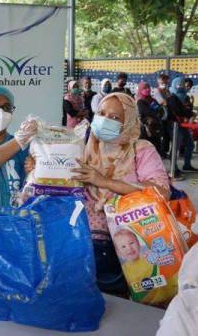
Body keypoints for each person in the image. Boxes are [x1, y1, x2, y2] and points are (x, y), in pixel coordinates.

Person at [71, 92, 170, 297]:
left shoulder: (141, 149)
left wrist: (105, 182)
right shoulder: (83, 145)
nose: (105, 120)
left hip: (127, 242)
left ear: (129, 121)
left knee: (119, 302)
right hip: (81, 240)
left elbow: (161, 192)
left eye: (115, 117)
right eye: (102, 113)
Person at [167, 77, 198, 175]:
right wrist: (189, 113)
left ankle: (187, 165)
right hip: (174, 125)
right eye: (178, 84)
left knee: (190, 144)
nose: (180, 86)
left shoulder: (186, 97)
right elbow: (178, 111)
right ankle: (173, 168)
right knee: (175, 146)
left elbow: (188, 108)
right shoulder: (172, 97)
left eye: (182, 84)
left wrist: (188, 112)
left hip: (184, 125)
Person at [136, 81, 165, 155]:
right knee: (146, 151)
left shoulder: (153, 100)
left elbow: (161, 111)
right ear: (140, 90)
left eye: (148, 87)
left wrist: (156, 113)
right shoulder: (140, 101)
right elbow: (147, 112)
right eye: (145, 88)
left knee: (157, 149)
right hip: (146, 130)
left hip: (156, 128)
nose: (147, 89)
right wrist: (156, 112)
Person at [154, 73, 172, 156]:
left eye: (166, 80)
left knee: (167, 135)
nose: (164, 82)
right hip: (160, 116)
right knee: (161, 134)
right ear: (158, 81)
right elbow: (163, 102)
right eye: (162, 80)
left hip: (167, 116)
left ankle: (165, 151)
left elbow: (170, 101)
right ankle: (160, 151)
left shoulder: (167, 91)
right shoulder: (157, 91)